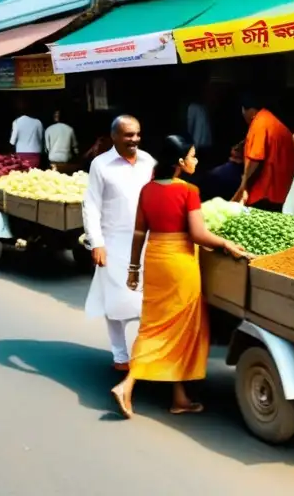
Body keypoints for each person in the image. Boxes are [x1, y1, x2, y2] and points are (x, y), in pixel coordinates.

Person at [111, 136, 247, 418]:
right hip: (180, 263)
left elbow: (139, 233)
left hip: (156, 260)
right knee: (182, 329)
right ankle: (128, 384)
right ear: (180, 162)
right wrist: (225, 243)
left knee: (154, 325)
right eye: (192, 156)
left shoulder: (147, 190)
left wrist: (133, 269)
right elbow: (198, 235)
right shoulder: (189, 191)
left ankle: (179, 397)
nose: (196, 160)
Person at [83, 116, 155, 371]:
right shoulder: (100, 165)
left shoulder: (149, 162)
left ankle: (143, 351)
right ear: (114, 137)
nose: (134, 139)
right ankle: (120, 355)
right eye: (128, 135)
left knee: (143, 301)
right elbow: (90, 204)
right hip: (113, 241)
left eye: (137, 134)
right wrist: (97, 243)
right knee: (114, 300)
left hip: (147, 241)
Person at [233, 95, 294, 211]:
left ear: (248, 111)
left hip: (269, 192)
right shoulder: (268, 119)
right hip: (284, 189)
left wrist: (242, 187)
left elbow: (255, 159)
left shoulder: (259, 124)